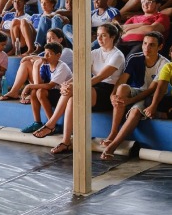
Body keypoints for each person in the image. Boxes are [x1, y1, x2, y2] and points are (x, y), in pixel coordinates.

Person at [34, 23, 126, 154]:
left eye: (103, 35)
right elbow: (81, 73)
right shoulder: (94, 52)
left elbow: (99, 77)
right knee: (71, 99)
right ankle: (66, 141)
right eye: (98, 35)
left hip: (107, 90)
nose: (99, 39)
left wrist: (74, 86)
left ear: (113, 37)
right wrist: (67, 84)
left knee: (72, 90)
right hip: (92, 86)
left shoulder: (117, 55)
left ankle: (51, 124)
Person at [101, 32, 168, 160]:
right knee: (122, 88)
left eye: (152, 45)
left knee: (135, 112)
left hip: (151, 96)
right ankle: (113, 132)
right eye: (145, 44)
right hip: (136, 91)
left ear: (160, 47)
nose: (146, 48)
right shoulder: (134, 58)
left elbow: (151, 90)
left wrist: (130, 101)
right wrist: (112, 95)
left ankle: (113, 146)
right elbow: (122, 79)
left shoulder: (164, 63)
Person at [20, 42, 72, 135]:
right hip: (53, 93)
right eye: (45, 53)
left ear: (58, 55)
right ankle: (37, 122)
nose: (46, 56)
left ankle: (52, 124)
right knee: (35, 91)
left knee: (40, 92)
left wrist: (29, 85)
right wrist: (36, 66)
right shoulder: (45, 65)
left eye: (50, 54)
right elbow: (38, 84)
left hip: (64, 94)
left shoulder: (62, 66)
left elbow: (50, 86)